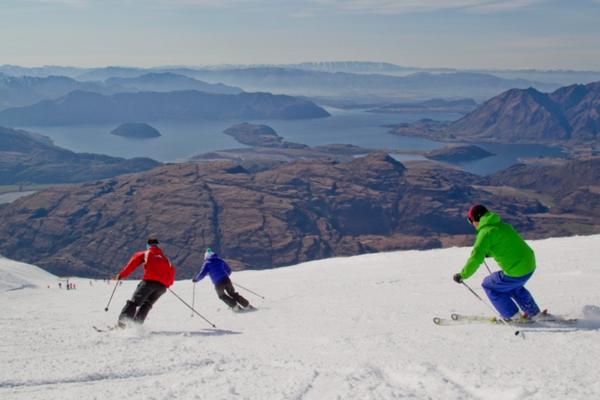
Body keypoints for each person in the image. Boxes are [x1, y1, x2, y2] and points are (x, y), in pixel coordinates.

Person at [453, 205, 541, 321]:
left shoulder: (485, 233)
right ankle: (534, 313)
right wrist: (488, 253)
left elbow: (475, 259)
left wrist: (463, 275)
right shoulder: (502, 226)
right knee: (512, 286)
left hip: (516, 270)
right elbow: (506, 246)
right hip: (530, 264)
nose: (472, 224)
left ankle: (512, 316)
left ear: (475, 219)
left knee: (489, 285)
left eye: (471, 221)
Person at [116, 237, 176, 327]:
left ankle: (122, 324)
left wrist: (121, 275)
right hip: (162, 288)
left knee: (134, 302)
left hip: (149, 283)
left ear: (148, 245)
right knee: (146, 305)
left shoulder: (146, 253)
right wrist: (166, 284)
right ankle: (136, 326)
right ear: (157, 245)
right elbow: (172, 271)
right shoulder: (165, 258)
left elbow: (132, 264)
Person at [193, 248, 253, 312]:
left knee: (221, 295)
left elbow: (202, 274)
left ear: (206, 257)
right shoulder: (220, 260)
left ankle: (235, 307)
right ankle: (247, 305)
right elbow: (229, 270)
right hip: (226, 280)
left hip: (218, 283)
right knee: (233, 293)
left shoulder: (207, 263)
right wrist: (225, 276)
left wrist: (196, 279)